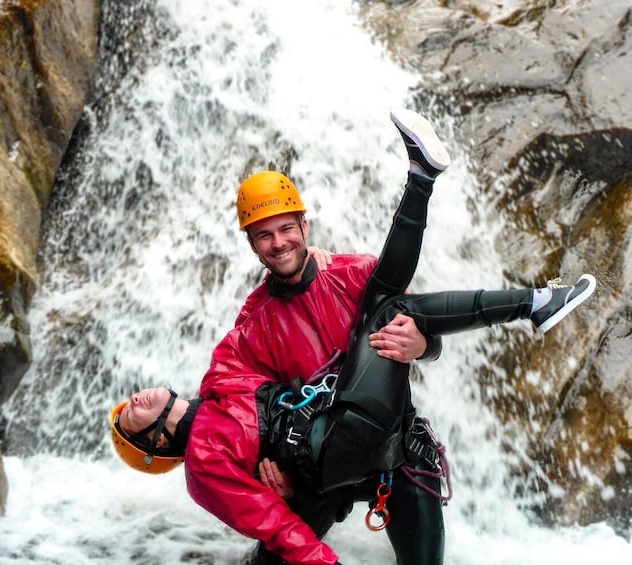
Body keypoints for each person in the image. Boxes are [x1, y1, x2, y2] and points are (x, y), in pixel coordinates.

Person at [110, 109, 597, 564]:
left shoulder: (352, 274)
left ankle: (440, 196)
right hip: (316, 471)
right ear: (252, 245)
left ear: (305, 224)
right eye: (264, 235)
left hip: (394, 455)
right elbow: (226, 402)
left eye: (286, 228)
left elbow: (429, 337)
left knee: (393, 310)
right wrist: (260, 468)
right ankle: (514, 281)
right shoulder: (252, 324)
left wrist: (422, 346)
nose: (279, 243)